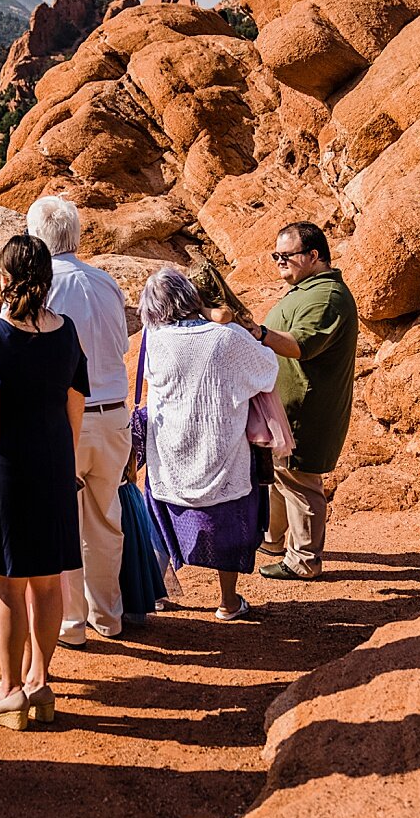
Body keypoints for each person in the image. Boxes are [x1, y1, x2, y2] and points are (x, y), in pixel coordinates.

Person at [0, 235, 87, 729]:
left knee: (9, 583)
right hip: (54, 462)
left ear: (3, 278)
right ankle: (41, 683)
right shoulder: (68, 331)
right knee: (48, 579)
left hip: (3, 465)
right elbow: (74, 402)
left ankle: (10, 689)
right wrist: (65, 460)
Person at [137, 268, 282, 621]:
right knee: (229, 525)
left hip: (169, 450)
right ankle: (228, 601)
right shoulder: (225, 337)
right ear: (192, 298)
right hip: (220, 448)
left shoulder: (153, 338)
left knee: (158, 521)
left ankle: (154, 593)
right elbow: (268, 368)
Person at [25, 194, 131, 647]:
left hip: (67, 420)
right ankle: (109, 616)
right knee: (106, 520)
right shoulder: (105, 282)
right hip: (114, 415)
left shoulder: (43, 287)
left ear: (36, 237)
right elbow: (122, 347)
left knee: (60, 521)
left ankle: (71, 623)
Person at [255, 221, 358, 581]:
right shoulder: (309, 289)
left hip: (307, 410)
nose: (280, 262)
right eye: (276, 256)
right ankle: (273, 541)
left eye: (287, 256)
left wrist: (258, 333)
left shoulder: (326, 297)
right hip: (288, 407)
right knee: (282, 475)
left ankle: (304, 560)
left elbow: (301, 345)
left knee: (301, 480)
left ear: (314, 256)